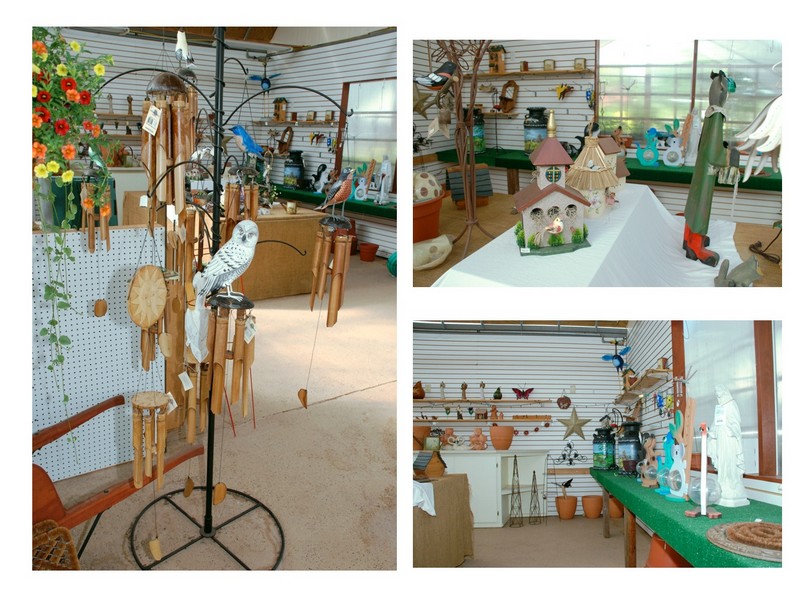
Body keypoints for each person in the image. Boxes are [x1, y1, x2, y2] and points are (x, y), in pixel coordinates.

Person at [707, 384, 750, 506]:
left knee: (730, 461)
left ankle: (732, 483)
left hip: (729, 439)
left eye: (719, 395)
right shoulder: (719, 408)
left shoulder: (731, 404)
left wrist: (729, 427)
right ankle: (723, 482)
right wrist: (711, 431)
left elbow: (736, 422)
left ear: (724, 393)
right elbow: (715, 423)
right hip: (721, 439)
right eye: (717, 396)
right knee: (722, 461)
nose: (718, 397)